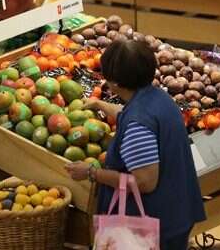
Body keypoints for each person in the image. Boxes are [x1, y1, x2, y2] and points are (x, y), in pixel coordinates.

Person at [65, 39, 206, 250]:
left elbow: (144, 182)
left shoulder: (137, 126)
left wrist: (92, 173)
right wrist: (99, 104)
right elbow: (130, 114)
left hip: (153, 227)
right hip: (177, 210)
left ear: (115, 83)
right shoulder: (159, 98)